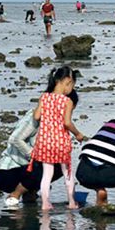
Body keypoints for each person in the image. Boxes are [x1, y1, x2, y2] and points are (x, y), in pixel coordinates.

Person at [0, 90, 80, 207]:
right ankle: (15, 194)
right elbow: (15, 139)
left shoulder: (56, 122)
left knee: (58, 162)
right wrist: (35, 155)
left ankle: (30, 192)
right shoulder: (37, 116)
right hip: (8, 173)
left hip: (26, 170)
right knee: (48, 163)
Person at [28, 67, 86, 211]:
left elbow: (36, 116)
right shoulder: (67, 101)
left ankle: (45, 203)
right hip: (60, 142)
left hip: (44, 141)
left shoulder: (44, 97)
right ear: (67, 81)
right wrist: (78, 134)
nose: (72, 89)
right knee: (67, 172)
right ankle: (72, 202)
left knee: (47, 174)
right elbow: (67, 123)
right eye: (72, 85)